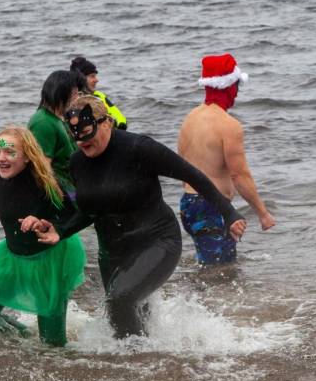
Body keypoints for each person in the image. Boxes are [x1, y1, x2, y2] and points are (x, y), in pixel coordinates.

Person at [27, 95, 246, 339]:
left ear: (106, 122)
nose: (81, 141)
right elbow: (90, 210)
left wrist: (228, 213)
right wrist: (60, 230)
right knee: (120, 313)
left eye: (87, 132)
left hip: (157, 240)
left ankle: (138, 361)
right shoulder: (77, 163)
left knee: (120, 300)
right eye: (74, 135)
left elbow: (193, 175)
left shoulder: (138, 148)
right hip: (112, 251)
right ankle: (148, 360)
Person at [0, 126, 86, 347]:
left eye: (9, 152)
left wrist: (44, 223)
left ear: (27, 156)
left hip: (50, 262)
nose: (1, 158)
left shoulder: (45, 183)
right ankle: (23, 338)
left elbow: (73, 214)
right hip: (11, 258)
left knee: (52, 345)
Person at [178, 53, 275, 265]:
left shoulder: (190, 118)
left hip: (189, 205)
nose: (237, 94)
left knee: (220, 268)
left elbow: (181, 165)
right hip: (210, 208)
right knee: (217, 272)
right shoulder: (229, 125)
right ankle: (197, 299)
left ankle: (199, 298)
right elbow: (239, 175)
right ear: (230, 86)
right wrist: (263, 213)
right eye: (237, 86)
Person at [28, 70, 80, 193]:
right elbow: (42, 169)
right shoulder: (43, 122)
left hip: (72, 183)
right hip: (62, 191)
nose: (77, 99)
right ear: (62, 94)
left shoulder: (58, 118)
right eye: (75, 94)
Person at [70, 56, 128, 130]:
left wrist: (120, 124)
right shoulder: (72, 100)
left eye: (95, 76)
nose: (97, 80)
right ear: (81, 78)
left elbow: (119, 115)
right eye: (92, 76)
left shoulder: (99, 95)